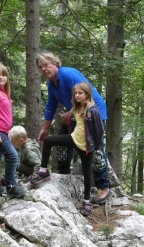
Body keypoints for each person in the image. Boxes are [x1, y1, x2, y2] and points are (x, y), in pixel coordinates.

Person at [36, 52, 110, 204]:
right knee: (63, 141)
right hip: (76, 115)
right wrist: (45, 128)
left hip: (93, 114)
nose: (44, 69)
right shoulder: (51, 84)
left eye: (46, 65)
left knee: (95, 149)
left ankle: (104, 187)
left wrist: (71, 111)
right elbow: (50, 106)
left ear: (56, 64)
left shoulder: (68, 74)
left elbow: (87, 94)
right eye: (41, 67)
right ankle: (64, 175)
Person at [30, 82, 104, 216]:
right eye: (75, 93)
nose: (77, 95)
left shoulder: (93, 110)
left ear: (87, 94)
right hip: (74, 139)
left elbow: (99, 130)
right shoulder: (75, 108)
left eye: (80, 93)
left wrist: (96, 148)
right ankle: (43, 171)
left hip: (86, 146)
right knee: (47, 141)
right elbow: (73, 123)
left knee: (87, 172)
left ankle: (86, 201)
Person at [0, 63, 27, 200]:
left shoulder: (2, 93)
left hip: (1, 131)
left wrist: (5, 131)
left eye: (3, 75)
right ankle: (11, 186)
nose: (1, 77)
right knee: (13, 156)